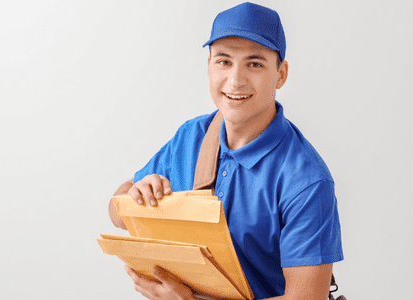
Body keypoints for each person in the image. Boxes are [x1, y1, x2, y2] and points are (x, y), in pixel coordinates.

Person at [108, 2, 344, 299]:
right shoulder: (190, 137)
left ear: (281, 74)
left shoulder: (306, 181)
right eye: (224, 61)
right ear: (209, 66)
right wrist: (135, 197)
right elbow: (116, 211)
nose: (235, 80)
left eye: (255, 64)